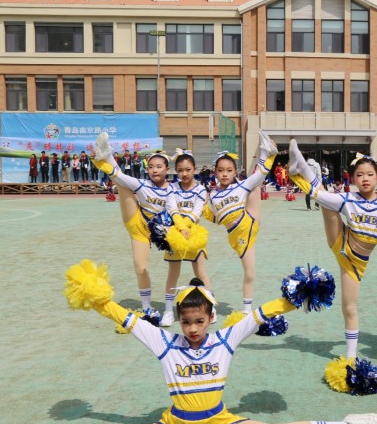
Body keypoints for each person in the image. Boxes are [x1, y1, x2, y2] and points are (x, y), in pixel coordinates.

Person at [0, 269, 377, 424]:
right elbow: (123, 317)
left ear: (212, 317)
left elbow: (261, 314)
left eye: (199, 321)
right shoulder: (164, 342)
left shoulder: (225, 338)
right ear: (178, 320)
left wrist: (296, 295)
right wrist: (96, 299)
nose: (193, 329)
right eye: (186, 321)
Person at [288, 146, 377, 371]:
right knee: (325, 202)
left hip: (357, 262)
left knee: (350, 304)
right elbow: (318, 194)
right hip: (341, 243)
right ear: (353, 179)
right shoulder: (348, 198)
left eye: (370, 174)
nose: (365, 179)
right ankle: (350, 356)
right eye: (359, 175)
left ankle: (302, 167)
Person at [91, 133, 176, 328]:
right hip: (139, 225)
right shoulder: (142, 184)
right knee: (141, 268)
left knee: (175, 267)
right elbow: (118, 176)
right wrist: (107, 161)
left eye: (159, 166)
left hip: (166, 232)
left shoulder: (174, 189)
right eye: (151, 167)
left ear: (167, 169)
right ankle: (147, 307)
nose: (154, 170)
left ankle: (170, 307)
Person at [204, 132, 277, 317]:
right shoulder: (212, 196)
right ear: (215, 172)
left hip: (250, 219)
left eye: (229, 170)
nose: (225, 174)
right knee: (249, 273)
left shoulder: (239, 186)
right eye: (221, 170)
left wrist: (270, 158)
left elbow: (259, 175)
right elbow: (214, 218)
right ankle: (266, 152)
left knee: (255, 183)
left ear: (235, 172)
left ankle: (246, 309)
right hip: (238, 236)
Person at [163, 150, 211, 326]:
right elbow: (172, 209)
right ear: (175, 171)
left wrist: (185, 229)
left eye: (188, 170)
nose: (184, 174)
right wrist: (180, 230)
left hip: (193, 235)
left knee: (200, 272)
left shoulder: (200, 189)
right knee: (173, 274)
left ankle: (209, 307)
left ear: (195, 169)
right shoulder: (171, 188)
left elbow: (196, 212)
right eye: (180, 170)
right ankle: (168, 310)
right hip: (175, 234)